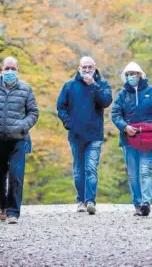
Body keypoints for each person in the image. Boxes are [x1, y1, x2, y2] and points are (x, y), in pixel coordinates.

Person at [0, 56, 39, 224]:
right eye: (7, 68)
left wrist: (22, 126)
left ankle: (13, 213)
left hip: (19, 140)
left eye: (13, 68)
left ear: (18, 71)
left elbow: (33, 113)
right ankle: (2, 205)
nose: (10, 71)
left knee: (16, 176)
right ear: (1, 70)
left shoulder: (26, 89)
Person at [111, 62, 152, 217]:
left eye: (133, 74)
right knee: (133, 174)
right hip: (128, 140)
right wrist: (124, 127)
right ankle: (137, 204)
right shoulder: (122, 95)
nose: (131, 77)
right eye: (128, 74)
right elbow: (115, 114)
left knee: (145, 170)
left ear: (140, 75)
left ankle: (146, 203)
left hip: (148, 138)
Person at [57, 56, 112, 215]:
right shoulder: (69, 86)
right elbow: (61, 107)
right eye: (84, 67)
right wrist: (69, 123)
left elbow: (106, 102)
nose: (87, 70)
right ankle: (80, 200)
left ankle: (90, 201)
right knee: (79, 170)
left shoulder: (102, 85)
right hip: (75, 135)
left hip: (94, 135)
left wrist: (93, 86)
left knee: (91, 168)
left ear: (95, 68)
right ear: (79, 68)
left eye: (90, 67)